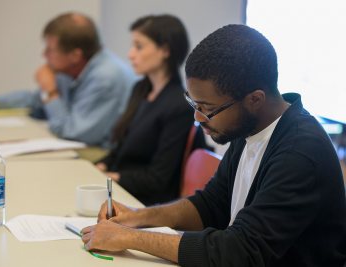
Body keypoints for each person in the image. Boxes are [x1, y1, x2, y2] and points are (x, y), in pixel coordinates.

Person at [81, 24, 346, 266]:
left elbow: (241, 252)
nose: (197, 118)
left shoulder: (299, 153)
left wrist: (131, 238)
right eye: (193, 103)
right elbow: (210, 205)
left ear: (255, 99)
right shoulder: (251, 128)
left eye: (207, 108)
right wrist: (138, 217)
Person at [0, 12, 134, 147]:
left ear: (75, 56)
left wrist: (50, 91)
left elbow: (72, 133)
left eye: (51, 50)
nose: (44, 55)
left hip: (103, 158)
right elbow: (36, 102)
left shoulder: (106, 78)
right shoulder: (69, 70)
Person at [95, 14, 204, 205]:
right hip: (120, 189)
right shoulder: (140, 89)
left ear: (165, 50)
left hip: (145, 202)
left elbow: (159, 180)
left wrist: (112, 178)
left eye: (139, 46)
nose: (130, 54)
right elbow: (120, 149)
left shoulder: (179, 106)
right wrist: (102, 166)